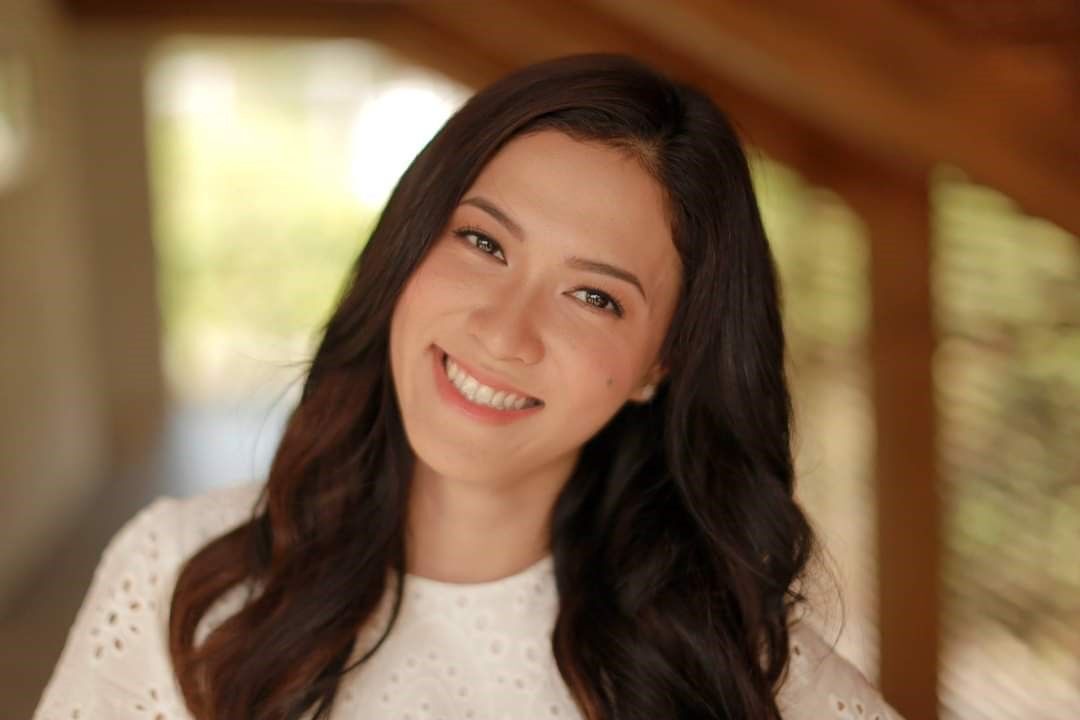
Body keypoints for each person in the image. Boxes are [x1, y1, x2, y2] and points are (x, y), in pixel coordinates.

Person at [35, 53, 902, 720]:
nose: (502, 330)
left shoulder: (723, 662)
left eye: (593, 297)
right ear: (409, 247)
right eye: (484, 244)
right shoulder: (180, 574)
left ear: (658, 366)